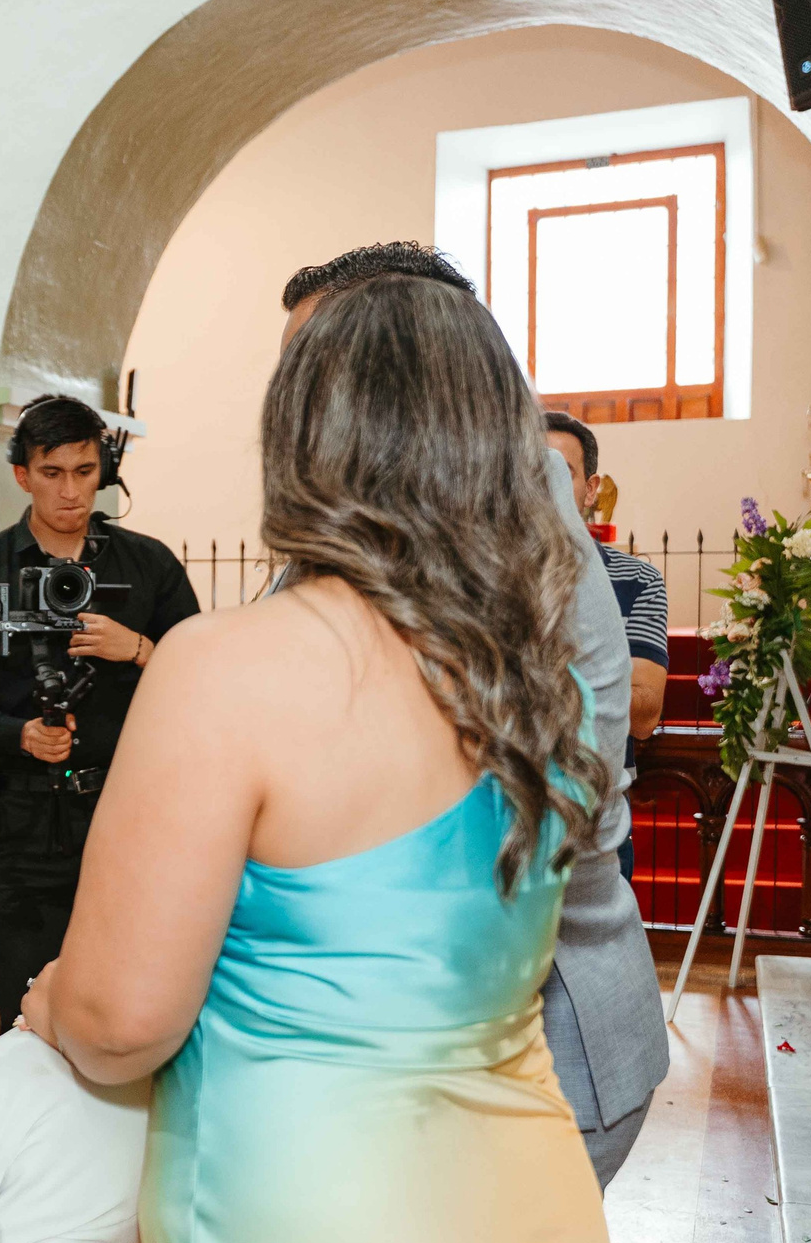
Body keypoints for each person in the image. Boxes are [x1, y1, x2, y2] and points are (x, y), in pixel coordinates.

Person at [23, 273, 615, 1243]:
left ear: (303, 441)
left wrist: (49, 1003)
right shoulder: (530, 673)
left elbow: (126, 1015)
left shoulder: (232, 666)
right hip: (533, 1230)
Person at [283, 241, 668, 1188]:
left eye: (309, 361)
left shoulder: (517, 506)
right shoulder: (351, 516)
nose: (286, 396)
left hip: (535, 1036)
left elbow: (556, 780)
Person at [0, 395, 199, 1032]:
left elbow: (203, 679)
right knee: (25, 1005)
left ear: (102, 471)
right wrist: (19, 734)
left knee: (133, 995)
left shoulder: (149, 566)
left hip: (132, 807)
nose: (71, 491)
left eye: (84, 472)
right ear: (22, 474)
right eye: (52, 473)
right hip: (27, 816)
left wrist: (136, 648)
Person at [544, 411, 671, 882]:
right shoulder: (483, 576)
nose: (544, 485)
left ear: (592, 488)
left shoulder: (636, 581)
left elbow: (641, 715)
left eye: (562, 471)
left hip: (591, 813)